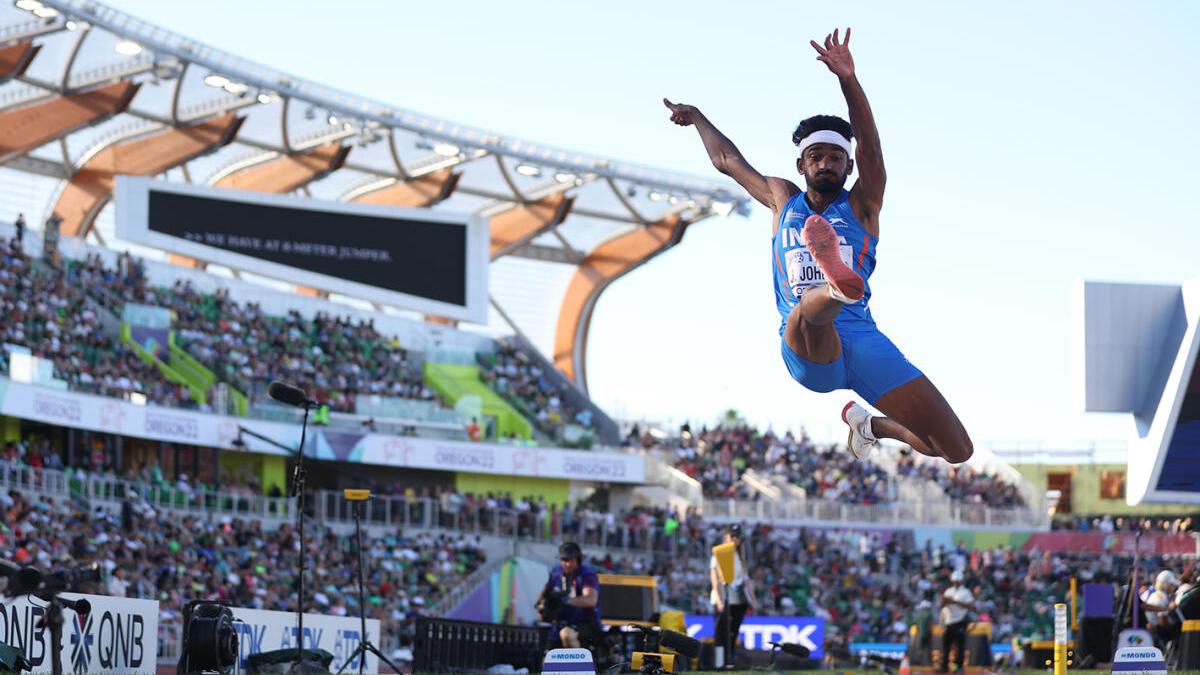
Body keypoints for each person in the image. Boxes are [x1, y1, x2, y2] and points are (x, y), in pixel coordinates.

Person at [664, 27, 972, 465]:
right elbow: (727, 161)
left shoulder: (863, 205)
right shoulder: (782, 199)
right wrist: (697, 118)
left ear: (848, 165)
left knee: (954, 450)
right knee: (810, 306)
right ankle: (834, 286)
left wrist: (848, 78)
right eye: (817, 157)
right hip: (808, 347)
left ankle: (867, 425)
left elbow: (873, 148)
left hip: (863, 341)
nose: (826, 163)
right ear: (801, 164)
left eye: (835, 158)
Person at [538, 542, 602, 651]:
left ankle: (581, 665)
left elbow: (591, 600)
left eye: (571, 560)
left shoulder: (586, 574)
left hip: (585, 624)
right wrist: (541, 607)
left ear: (578, 559)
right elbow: (543, 594)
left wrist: (565, 600)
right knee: (547, 658)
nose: (567, 564)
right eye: (564, 560)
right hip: (559, 624)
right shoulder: (556, 572)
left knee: (567, 634)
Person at [710, 524, 756, 666]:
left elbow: (746, 580)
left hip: (739, 600)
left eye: (738, 537)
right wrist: (720, 600)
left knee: (733, 632)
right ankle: (719, 663)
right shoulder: (719, 554)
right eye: (733, 536)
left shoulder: (740, 557)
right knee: (720, 633)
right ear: (727, 537)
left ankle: (729, 661)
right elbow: (715, 579)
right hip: (724, 598)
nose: (735, 540)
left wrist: (753, 599)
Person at [939, 570, 974, 673]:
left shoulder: (965, 592)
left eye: (957, 581)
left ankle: (959, 666)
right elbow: (942, 605)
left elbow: (969, 605)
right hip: (948, 621)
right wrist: (944, 601)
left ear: (961, 581)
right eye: (954, 581)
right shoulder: (948, 591)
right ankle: (944, 666)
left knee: (960, 645)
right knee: (946, 644)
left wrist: (954, 602)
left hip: (959, 620)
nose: (956, 582)